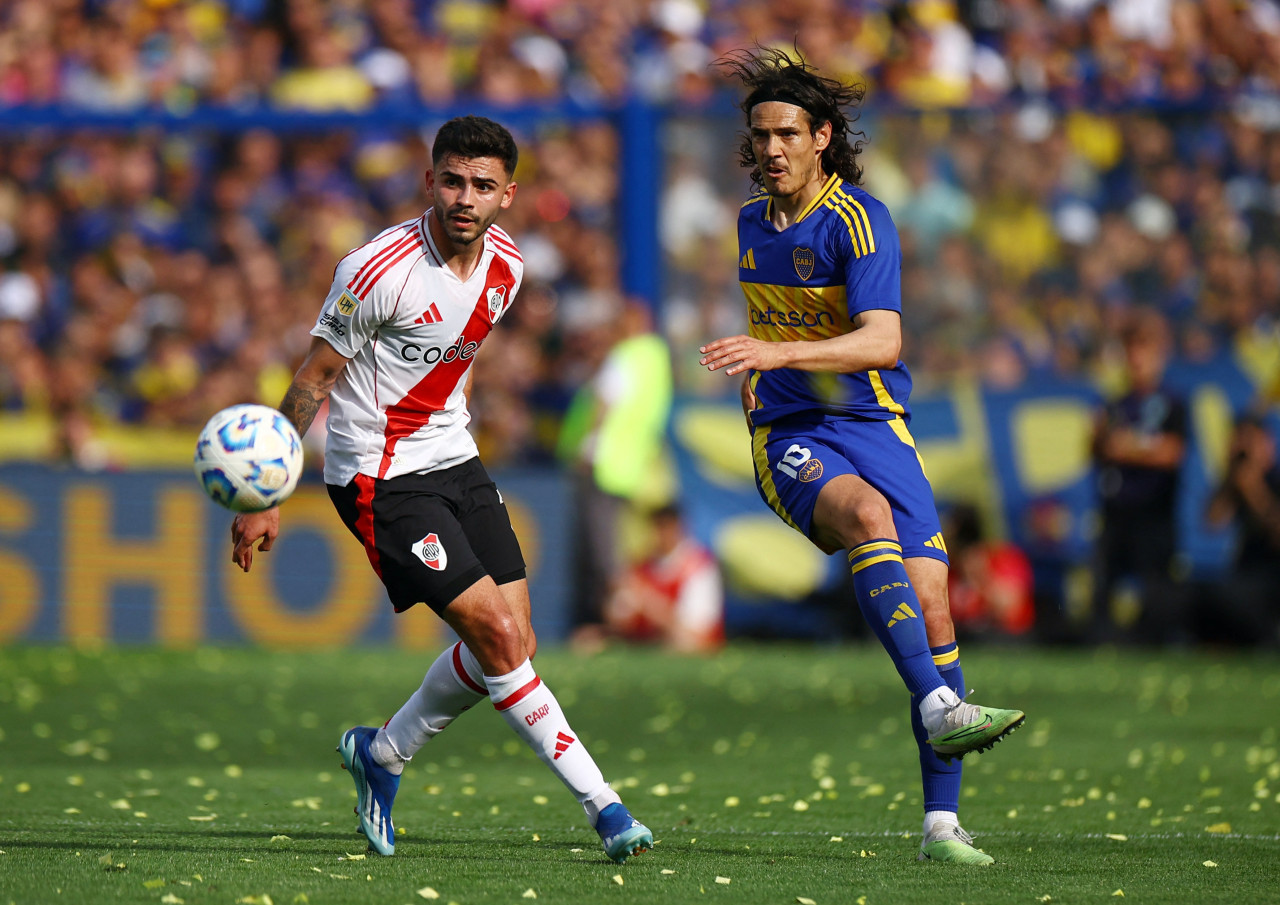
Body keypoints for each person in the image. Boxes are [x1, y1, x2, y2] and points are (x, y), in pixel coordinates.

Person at [229, 116, 652, 863]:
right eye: (452, 180)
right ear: (430, 180)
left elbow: (448, 358)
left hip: (455, 457)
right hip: (378, 474)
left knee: (510, 640)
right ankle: (606, 807)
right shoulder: (375, 269)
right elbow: (313, 379)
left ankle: (383, 754)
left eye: (482, 185)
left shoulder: (509, 269)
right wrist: (265, 492)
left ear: (508, 195)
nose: (464, 197)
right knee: (495, 635)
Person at [699, 48, 1024, 865]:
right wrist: (768, 380)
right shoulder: (747, 223)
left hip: (880, 430)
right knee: (867, 518)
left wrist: (776, 354)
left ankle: (941, 828)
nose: (771, 149)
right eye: (761, 135)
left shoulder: (859, 219)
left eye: (787, 134)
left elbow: (885, 339)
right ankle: (942, 708)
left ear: (824, 137)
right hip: (792, 437)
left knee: (937, 609)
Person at [1089, 307, 1189, 644]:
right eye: (1130, 349)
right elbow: (1098, 448)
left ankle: (1157, 642)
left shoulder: (1172, 402)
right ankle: (1103, 642)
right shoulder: (1116, 404)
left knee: (1157, 593)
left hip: (1153, 514)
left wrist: (1124, 446)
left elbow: (1173, 452)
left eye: (1143, 349)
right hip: (1117, 513)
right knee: (1104, 590)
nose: (1135, 358)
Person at [594, 502, 724, 653]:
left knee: (681, 644)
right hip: (648, 642)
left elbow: (696, 632)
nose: (661, 534)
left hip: (686, 645)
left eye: (666, 527)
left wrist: (647, 601)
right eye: (658, 527)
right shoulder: (640, 567)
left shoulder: (698, 566)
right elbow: (620, 618)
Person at [1203, 413, 1280, 646]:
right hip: (1248, 571)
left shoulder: (1274, 480)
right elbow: (1213, 521)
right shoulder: (1236, 479)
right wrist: (1233, 478)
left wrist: (1254, 490)